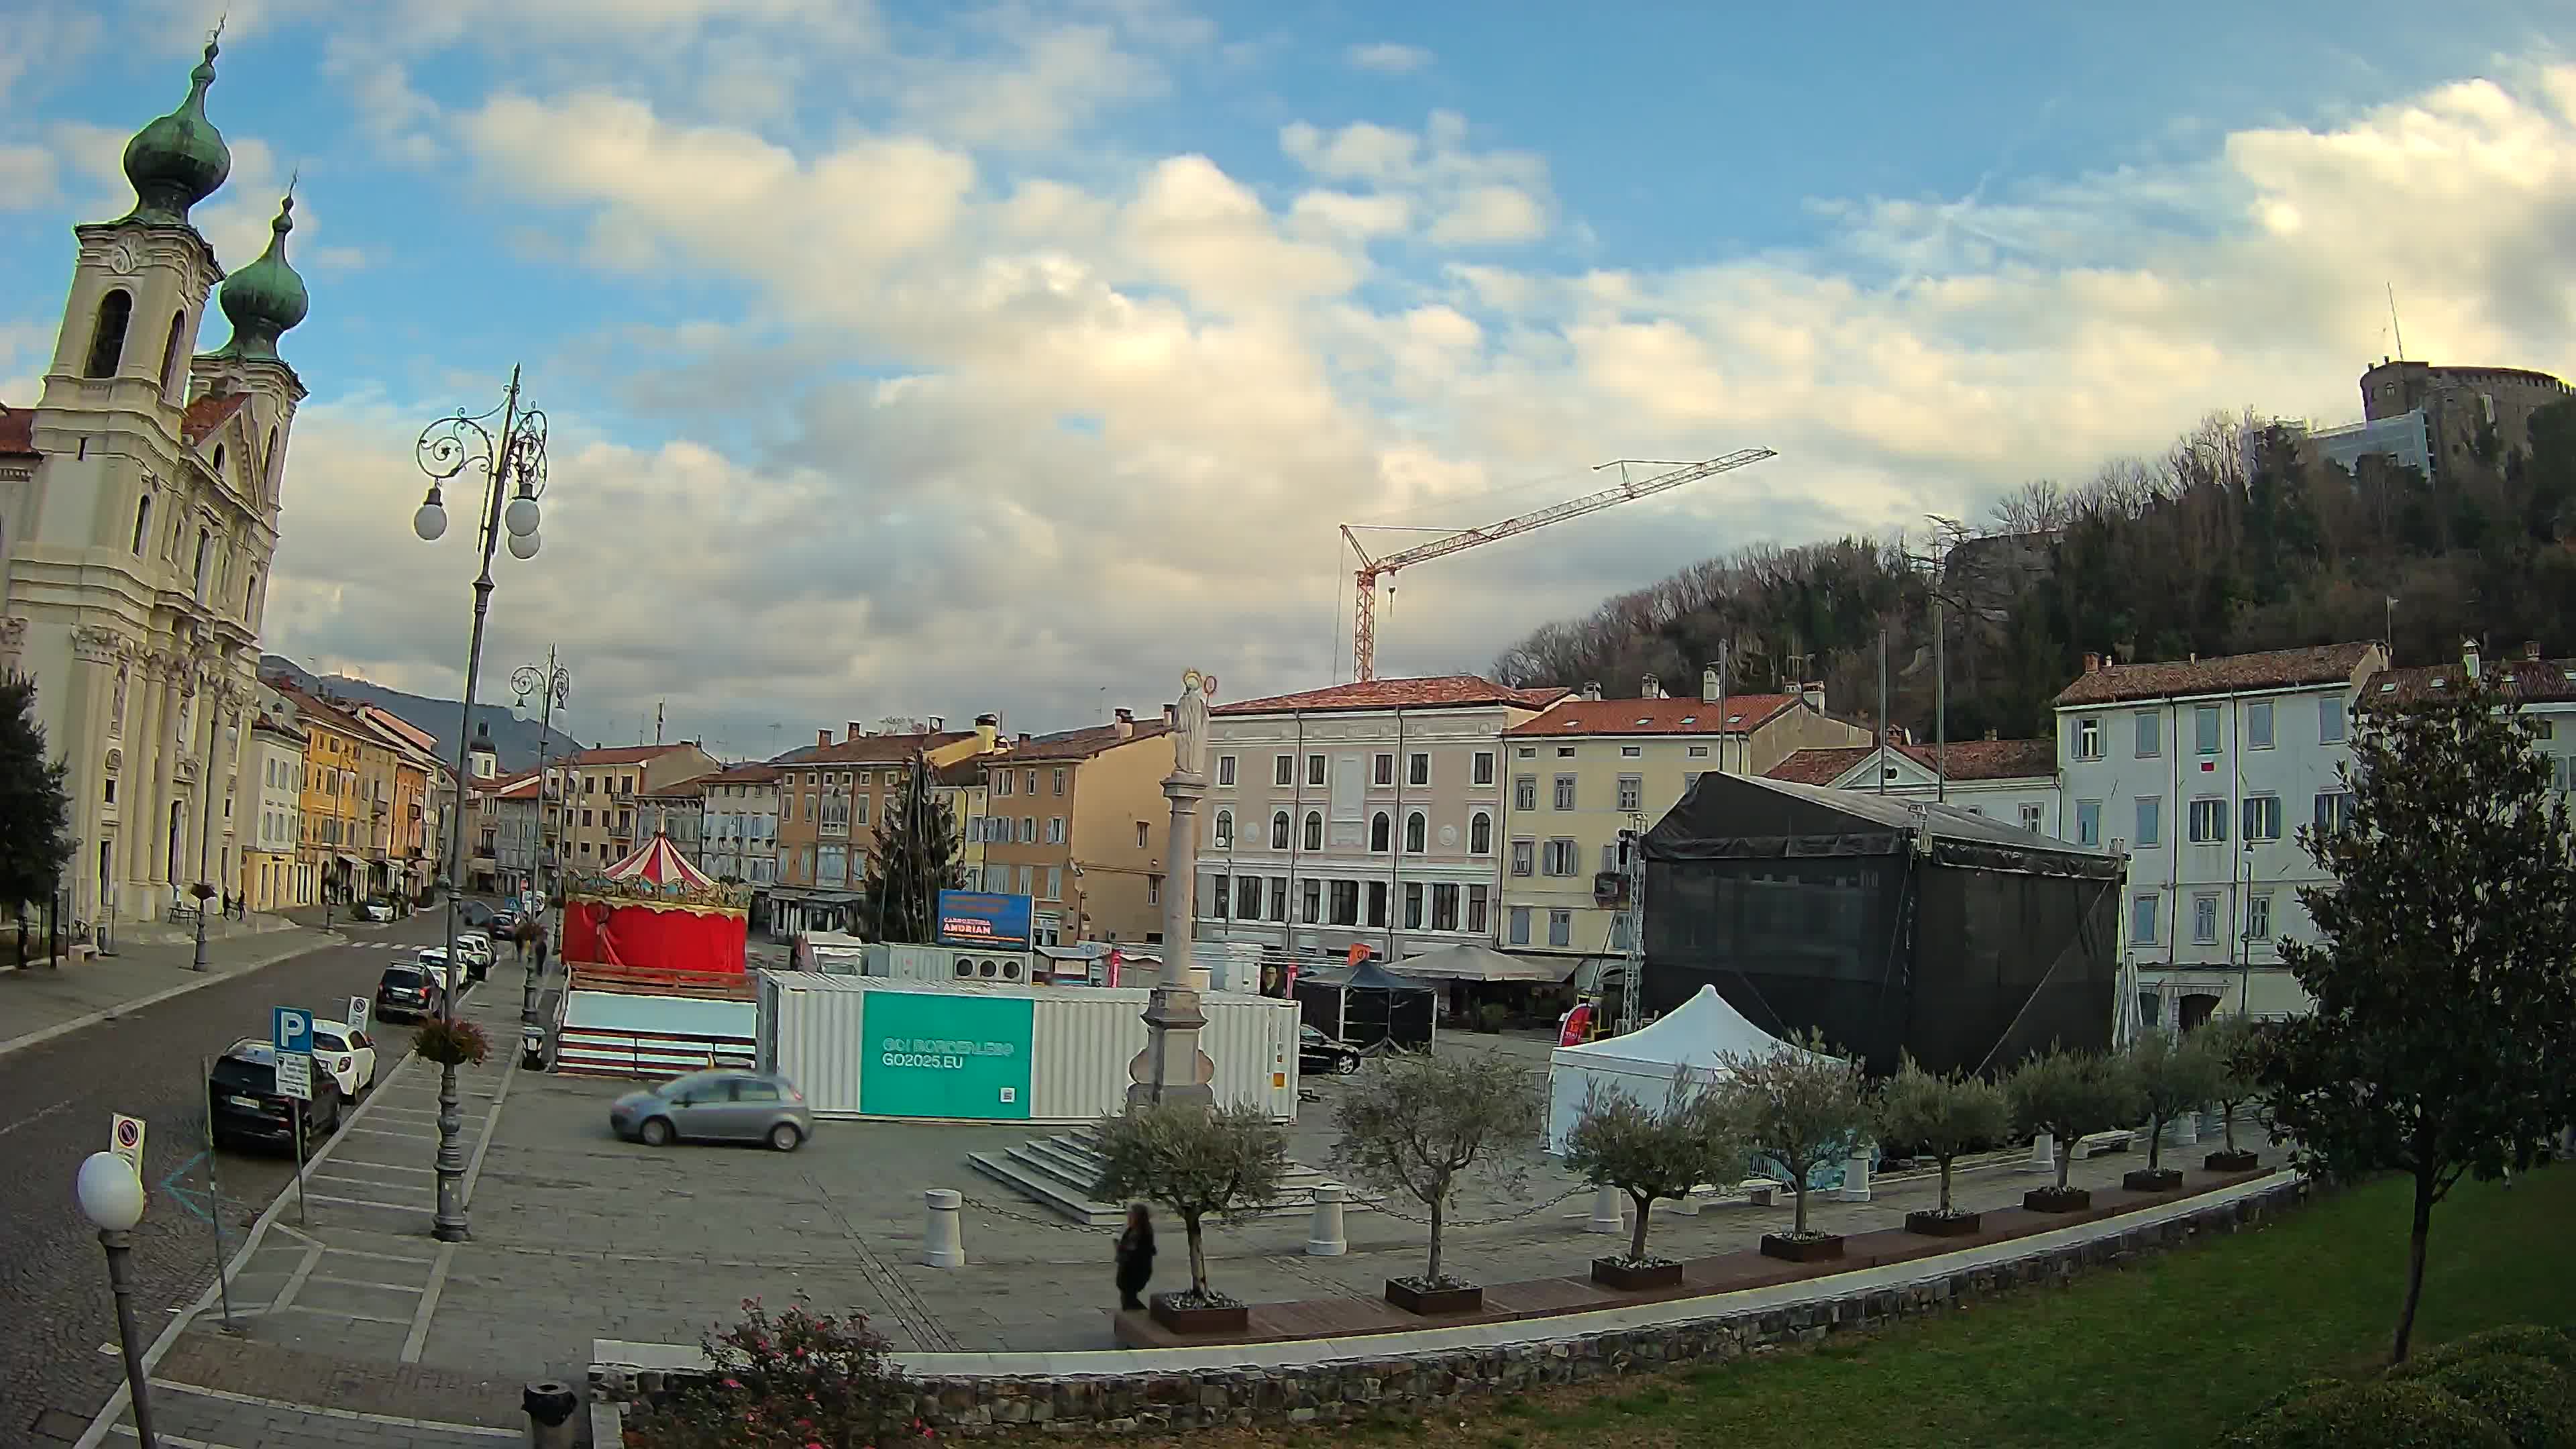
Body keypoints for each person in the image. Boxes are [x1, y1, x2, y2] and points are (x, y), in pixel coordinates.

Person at [1114, 1203, 1155, 1311]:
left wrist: (1121, 1248)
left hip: (1135, 1273)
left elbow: (1136, 1251)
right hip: (1128, 1271)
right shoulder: (1133, 1230)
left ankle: (1145, 1318)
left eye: (1131, 1215)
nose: (1129, 1217)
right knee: (1127, 1299)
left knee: (1129, 1300)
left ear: (1138, 1217)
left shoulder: (1143, 1232)